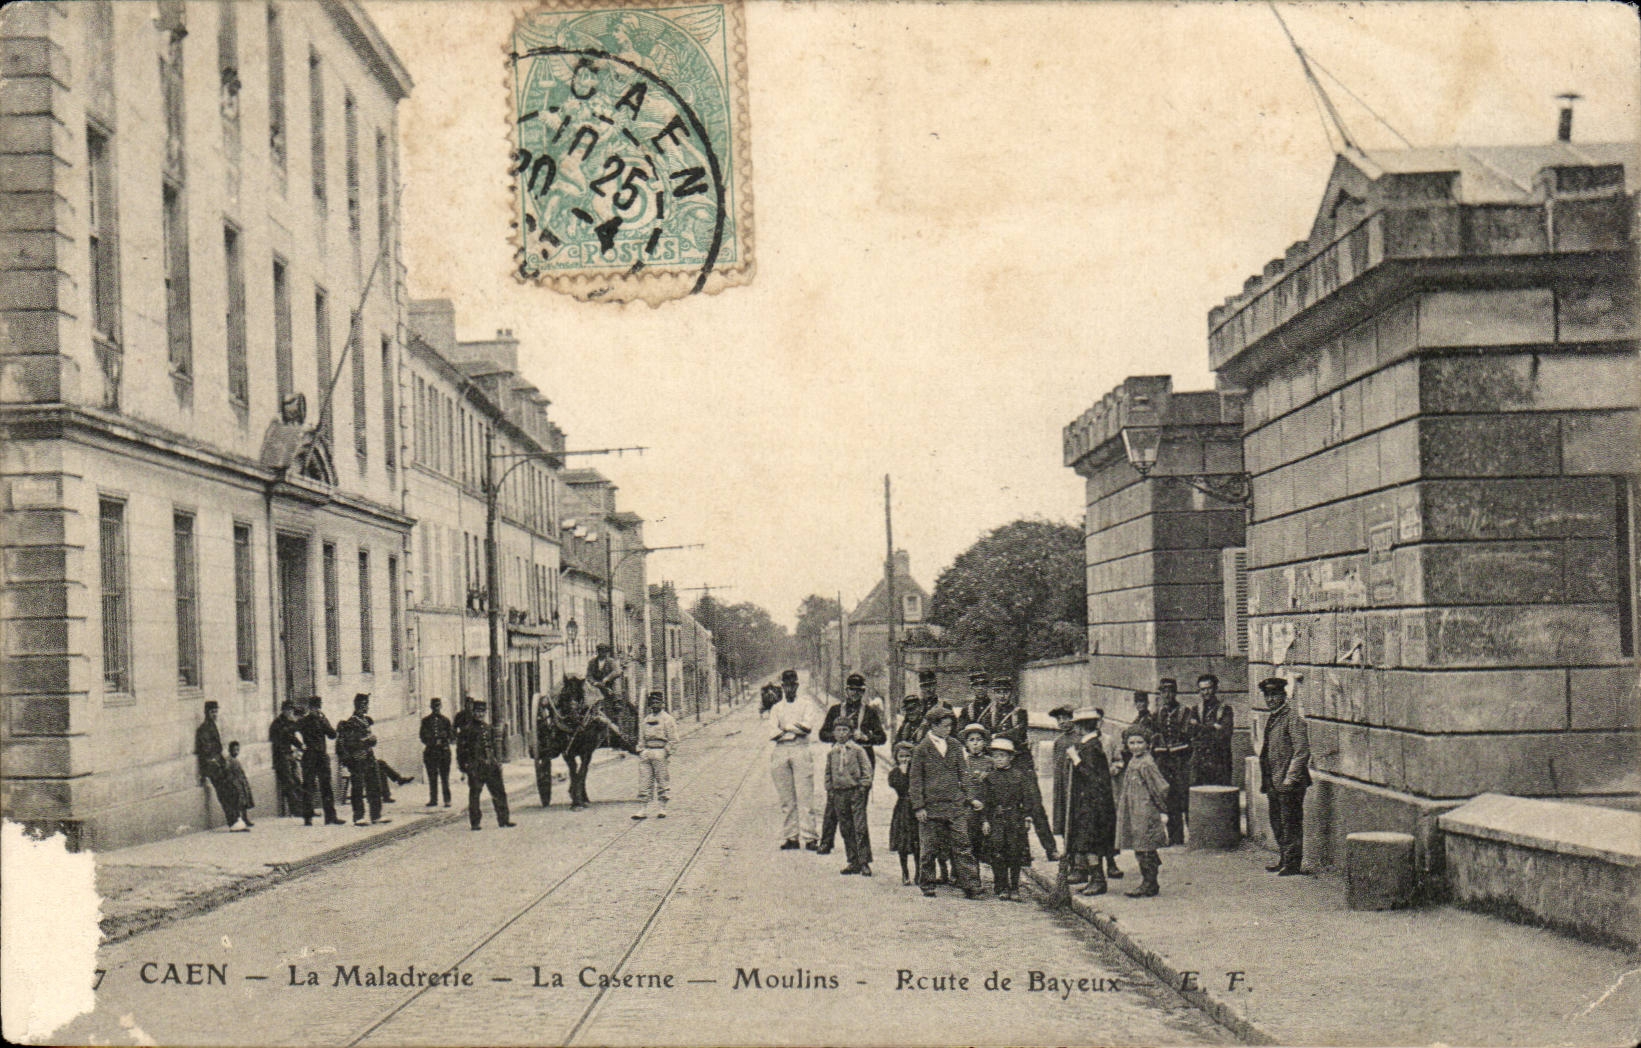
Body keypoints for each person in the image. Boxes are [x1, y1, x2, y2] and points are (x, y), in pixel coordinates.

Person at [908, 706, 982, 899]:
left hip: (955, 806)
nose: (949, 729)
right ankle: (927, 883)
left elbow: (964, 774)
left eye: (950, 726)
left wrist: (971, 797)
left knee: (963, 845)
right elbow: (915, 781)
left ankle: (971, 884)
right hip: (931, 808)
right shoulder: (921, 749)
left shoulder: (955, 745)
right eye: (945, 726)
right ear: (933, 726)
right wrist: (919, 807)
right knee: (929, 848)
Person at [817, 673, 888, 854]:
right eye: (852, 690)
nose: (855, 693)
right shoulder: (835, 710)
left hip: (862, 760)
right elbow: (822, 734)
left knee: (859, 804)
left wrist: (866, 737)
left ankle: (858, 849)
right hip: (839, 760)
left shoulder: (870, 712)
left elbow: (882, 737)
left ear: (863, 692)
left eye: (859, 690)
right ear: (846, 690)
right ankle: (826, 841)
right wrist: (839, 736)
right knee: (833, 801)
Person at [978, 738, 1054, 900]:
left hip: (1015, 819)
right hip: (996, 819)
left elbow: (1027, 798)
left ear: (1010, 757)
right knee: (997, 853)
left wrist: (1027, 817)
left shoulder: (1019, 776)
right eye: (995, 756)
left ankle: (1014, 887)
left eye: (1002, 756)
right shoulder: (989, 778)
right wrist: (984, 820)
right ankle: (1001, 886)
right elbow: (985, 801)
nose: (999, 759)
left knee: (1014, 852)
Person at [1063, 708, 1121, 895]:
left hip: (1094, 804)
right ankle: (1094, 878)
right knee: (1087, 842)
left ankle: (1098, 880)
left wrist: (1076, 759)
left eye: (1077, 725)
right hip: (1089, 801)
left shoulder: (1092, 747)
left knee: (1090, 843)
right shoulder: (1088, 744)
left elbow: (1093, 777)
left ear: (1082, 727)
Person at [1258, 677, 1311, 875]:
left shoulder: (1292, 718)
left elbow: (1301, 751)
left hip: (1289, 781)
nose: (1270, 699)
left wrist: (1291, 778)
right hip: (1273, 779)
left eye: (1274, 695)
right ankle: (1284, 858)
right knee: (1277, 821)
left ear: (1284, 695)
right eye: (1267, 695)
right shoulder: (1273, 717)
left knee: (1291, 822)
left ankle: (1293, 863)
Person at [1115, 728, 1171, 898]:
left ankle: (1149, 883)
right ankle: (1148, 881)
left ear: (1147, 744)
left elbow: (1160, 787)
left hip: (1144, 810)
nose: (1135, 746)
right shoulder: (1134, 760)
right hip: (1134, 809)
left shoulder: (1146, 763)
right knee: (1140, 846)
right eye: (1131, 743)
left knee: (1145, 845)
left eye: (1140, 742)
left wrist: (1159, 807)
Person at [769, 669, 818, 850]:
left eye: (792, 685)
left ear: (797, 686)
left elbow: (807, 727)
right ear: (782, 687)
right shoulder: (776, 708)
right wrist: (794, 729)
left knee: (805, 795)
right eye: (786, 685)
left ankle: (810, 837)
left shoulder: (806, 704)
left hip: (801, 748)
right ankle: (791, 837)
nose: (789, 689)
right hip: (781, 751)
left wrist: (785, 729)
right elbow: (772, 732)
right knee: (786, 798)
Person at [1153, 678, 1198, 846]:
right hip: (1165, 763)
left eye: (1170, 691)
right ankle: (1175, 837)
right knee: (1170, 799)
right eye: (1164, 692)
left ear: (1175, 693)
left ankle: (1194, 836)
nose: (1167, 695)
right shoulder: (1158, 713)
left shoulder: (1185, 712)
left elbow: (1188, 735)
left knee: (1185, 798)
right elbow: (1155, 735)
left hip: (1182, 761)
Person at [825, 722, 874, 876]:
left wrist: (863, 787)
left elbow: (867, 770)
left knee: (859, 827)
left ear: (851, 732)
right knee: (845, 828)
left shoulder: (857, 750)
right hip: (839, 793)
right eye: (838, 730)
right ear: (833, 733)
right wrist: (830, 789)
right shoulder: (832, 752)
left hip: (855, 792)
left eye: (845, 730)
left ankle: (864, 862)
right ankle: (853, 861)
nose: (841, 733)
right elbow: (828, 773)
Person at [461, 697, 515, 830]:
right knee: (475, 795)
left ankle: (504, 820)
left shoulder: (488, 728)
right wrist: (465, 767)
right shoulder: (467, 729)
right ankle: (475, 822)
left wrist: (497, 762)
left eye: (482, 712)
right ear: (473, 712)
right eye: (477, 711)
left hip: (491, 766)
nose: (480, 714)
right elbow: (461, 750)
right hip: (476, 766)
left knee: (499, 793)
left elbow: (494, 746)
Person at [336, 693, 388, 827]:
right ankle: (358, 817)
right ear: (359, 705)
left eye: (367, 704)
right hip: (358, 759)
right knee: (358, 788)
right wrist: (366, 741)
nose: (367, 707)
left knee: (375, 786)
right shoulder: (351, 723)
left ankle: (376, 815)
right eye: (365, 705)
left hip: (369, 757)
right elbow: (350, 743)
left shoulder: (364, 720)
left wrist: (372, 740)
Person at [194, 701, 245, 830]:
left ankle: (236, 818)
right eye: (212, 712)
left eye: (216, 711)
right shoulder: (204, 729)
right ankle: (233, 822)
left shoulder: (212, 726)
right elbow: (207, 750)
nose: (215, 714)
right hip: (213, 767)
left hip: (219, 764)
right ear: (206, 713)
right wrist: (217, 763)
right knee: (224, 793)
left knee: (232, 790)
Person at [298, 696, 344, 826]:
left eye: (318, 707)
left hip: (319, 756)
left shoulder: (316, 720)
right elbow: (293, 734)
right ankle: (309, 817)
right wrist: (300, 746)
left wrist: (324, 721)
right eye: (315, 707)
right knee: (309, 786)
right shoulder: (309, 721)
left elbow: (332, 735)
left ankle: (329, 817)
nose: (316, 709)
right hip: (312, 756)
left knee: (325, 786)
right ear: (310, 708)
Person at [632, 691, 678, 820]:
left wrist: (666, 752)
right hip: (647, 752)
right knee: (644, 781)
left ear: (662, 704)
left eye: (658, 702)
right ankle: (642, 809)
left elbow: (673, 739)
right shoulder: (646, 719)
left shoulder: (667, 719)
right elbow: (641, 737)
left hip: (660, 751)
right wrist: (641, 750)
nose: (655, 705)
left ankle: (662, 808)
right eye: (652, 703)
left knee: (662, 780)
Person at [1191, 673, 1235, 787]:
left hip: (1220, 760)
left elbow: (1224, 734)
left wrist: (1200, 726)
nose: (1206, 692)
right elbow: (1192, 732)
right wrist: (1213, 726)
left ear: (1215, 688)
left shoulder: (1225, 710)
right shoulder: (1195, 709)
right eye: (1202, 689)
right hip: (1200, 761)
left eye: (1209, 688)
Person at [887, 741, 920, 885]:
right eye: (901, 756)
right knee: (902, 842)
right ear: (896, 757)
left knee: (917, 842)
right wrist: (903, 772)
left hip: (915, 807)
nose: (905, 759)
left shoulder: (917, 771)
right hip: (902, 808)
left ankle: (919, 872)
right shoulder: (894, 773)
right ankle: (905, 872)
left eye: (908, 756)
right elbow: (898, 786)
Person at [981, 677, 1031, 770]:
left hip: (1016, 758)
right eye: (998, 692)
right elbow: (987, 736)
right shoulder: (988, 716)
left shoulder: (1020, 713)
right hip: (997, 759)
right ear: (993, 694)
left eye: (1005, 692)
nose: (1002, 696)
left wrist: (996, 736)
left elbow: (1018, 733)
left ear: (1011, 693)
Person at [269, 701, 306, 817]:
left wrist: (301, 746)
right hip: (281, 757)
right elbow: (277, 740)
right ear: (284, 710)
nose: (290, 712)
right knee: (289, 783)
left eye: (291, 710)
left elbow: (292, 737)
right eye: (289, 710)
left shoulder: (289, 722)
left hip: (289, 755)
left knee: (297, 781)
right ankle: (295, 810)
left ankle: (302, 807)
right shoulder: (277, 724)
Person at [420, 697, 454, 807]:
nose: (436, 708)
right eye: (434, 706)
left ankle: (447, 800)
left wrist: (445, 737)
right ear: (431, 707)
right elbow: (422, 736)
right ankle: (433, 799)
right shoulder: (426, 721)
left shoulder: (445, 720)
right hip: (431, 752)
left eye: (438, 706)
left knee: (445, 777)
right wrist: (432, 741)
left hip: (444, 752)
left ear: (441, 706)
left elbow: (452, 736)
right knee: (432, 777)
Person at [224, 741, 255, 830]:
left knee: (244, 802)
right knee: (238, 803)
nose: (236, 752)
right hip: (235, 784)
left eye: (238, 750)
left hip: (241, 783)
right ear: (230, 750)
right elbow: (228, 773)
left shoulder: (235, 760)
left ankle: (245, 819)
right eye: (234, 750)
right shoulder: (229, 760)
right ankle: (239, 820)